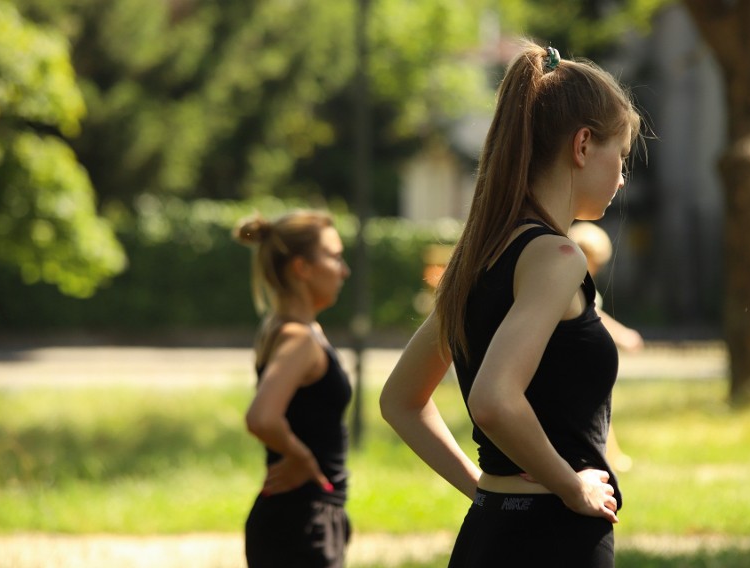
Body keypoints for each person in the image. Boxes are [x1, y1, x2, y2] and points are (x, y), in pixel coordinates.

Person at [380, 40, 643, 567]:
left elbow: (400, 401)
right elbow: (495, 400)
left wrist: (484, 488)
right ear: (583, 145)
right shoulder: (558, 257)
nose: (621, 177)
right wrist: (569, 484)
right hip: (553, 539)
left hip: (488, 532)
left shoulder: (479, 255)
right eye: (621, 154)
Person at [233, 211, 352, 568]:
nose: (344, 270)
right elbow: (261, 418)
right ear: (302, 268)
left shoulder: (289, 328)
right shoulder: (297, 338)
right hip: (300, 523)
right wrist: (302, 458)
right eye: (334, 256)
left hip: (303, 516)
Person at [567, 221, 644, 472]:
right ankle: (605, 456)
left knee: (598, 407)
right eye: (596, 262)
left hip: (583, 357)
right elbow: (597, 319)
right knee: (594, 408)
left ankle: (611, 454)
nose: (597, 269)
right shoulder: (572, 284)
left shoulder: (578, 281)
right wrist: (623, 335)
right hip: (577, 359)